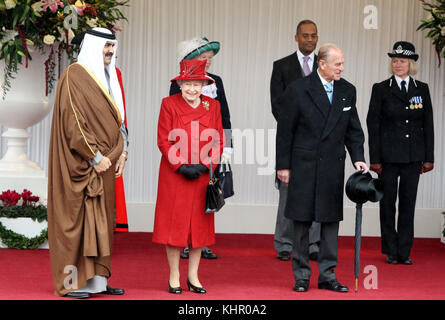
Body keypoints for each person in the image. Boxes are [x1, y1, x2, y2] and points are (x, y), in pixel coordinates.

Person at [276, 43, 369, 293]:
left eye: (342, 63)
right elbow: (285, 132)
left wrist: (357, 157)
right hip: (303, 165)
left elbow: (354, 129)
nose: (341, 67)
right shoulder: (298, 90)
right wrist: (283, 165)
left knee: (330, 222)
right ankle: (302, 275)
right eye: (337, 63)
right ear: (322, 63)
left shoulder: (347, 90)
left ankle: (328, 274)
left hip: (332, 166)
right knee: (302, 221)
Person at [47, 27, 127, 299]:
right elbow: (73, 123)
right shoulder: (74, 76)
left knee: (102, 224)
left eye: (112, 47)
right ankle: (71, 284)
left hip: (106, 164)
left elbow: (119, 119)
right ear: (93, 46)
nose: (110, 51)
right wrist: (95, 157)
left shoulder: (109, 77)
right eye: (106, 47)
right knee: (76, 226)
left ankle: (98, 283)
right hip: (81, 165)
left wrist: (121, 152)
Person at [153, 59, 224, 294]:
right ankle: (174, 275)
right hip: (175, 176)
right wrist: (181, 166)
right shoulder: (168, 104)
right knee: (174, 227)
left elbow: (219, 140)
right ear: (180, 83)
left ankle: (193, 276)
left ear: (204, 84)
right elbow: (164, 139)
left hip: (203, 177)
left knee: (199, 229)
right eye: (188, 84)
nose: (192, 89)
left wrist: (206, 165)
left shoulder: (212, 106)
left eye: (197, 84)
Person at [366, 41, 434, 265]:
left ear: (411, 64)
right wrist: (374, 158)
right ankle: (390, 250)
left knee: (408, 203)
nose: (398, 64)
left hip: (413, 156)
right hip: (387, 157)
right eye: (394, 60)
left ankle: (404, 251)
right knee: (387, 203)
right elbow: (372, 124)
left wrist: (429, 157)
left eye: (402, 61)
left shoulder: (421, 89)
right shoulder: (381, 88)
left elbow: (428, 124)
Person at [170, 37, 233, 260]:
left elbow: (224, 114)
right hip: (186, 148)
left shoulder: (216, 81)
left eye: (209, 58)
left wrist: (228, 145)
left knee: (209, 192)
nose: (207, 62)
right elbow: (173, 119)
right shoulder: (178, 83)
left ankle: (202, 242)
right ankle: (185, 241)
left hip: (212, 147)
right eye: (203, 58)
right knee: (186, 198)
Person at [270, 20, 321, 262]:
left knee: (315, 192)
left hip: (319, 142)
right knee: (288, 193)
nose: (310, 39)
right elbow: (277, 106)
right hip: (291, 140)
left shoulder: (325, 65)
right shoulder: (281, 67)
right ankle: (284, 243)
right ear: (296, 37)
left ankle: (312, 243)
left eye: (313, 35)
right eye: (305, 35)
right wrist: (299, 128)